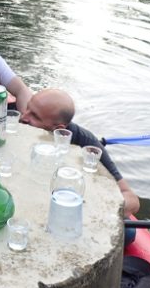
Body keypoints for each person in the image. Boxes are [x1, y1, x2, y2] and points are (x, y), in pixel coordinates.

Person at [21, 88, 141, 218]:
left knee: (129, 232)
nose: (23, 117)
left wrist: (91, 214)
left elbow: (131, 199)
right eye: (27, 108)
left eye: (35, 116)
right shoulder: (15, 123)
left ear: (59, 129)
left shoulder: (85, 142)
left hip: (63, 200)